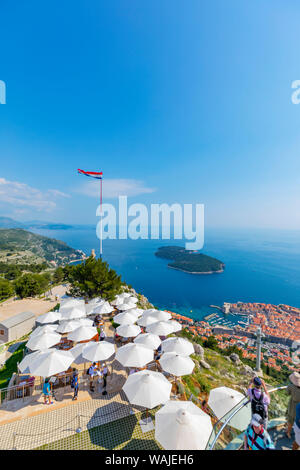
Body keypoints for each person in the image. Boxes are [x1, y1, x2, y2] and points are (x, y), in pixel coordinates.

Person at [286, 372, 300, 439]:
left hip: (293, 405)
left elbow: (287, 393)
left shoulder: (291, 386)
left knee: (291, 420)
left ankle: (288, 432)